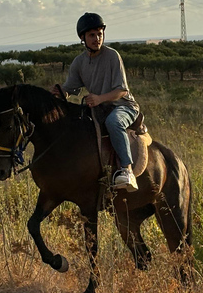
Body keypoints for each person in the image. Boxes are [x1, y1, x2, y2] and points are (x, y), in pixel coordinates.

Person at [51, 13, 140, 192]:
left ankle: (127, 170)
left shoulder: (113, 56)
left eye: (100, 34)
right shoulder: (79, 63)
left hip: (123, 106)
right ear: (82, 38)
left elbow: (122, 90)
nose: (97, 38)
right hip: (100, 108)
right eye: (92, 35)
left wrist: (99, 98)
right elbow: (70, 88)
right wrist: (60, 92)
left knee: (114, 122)